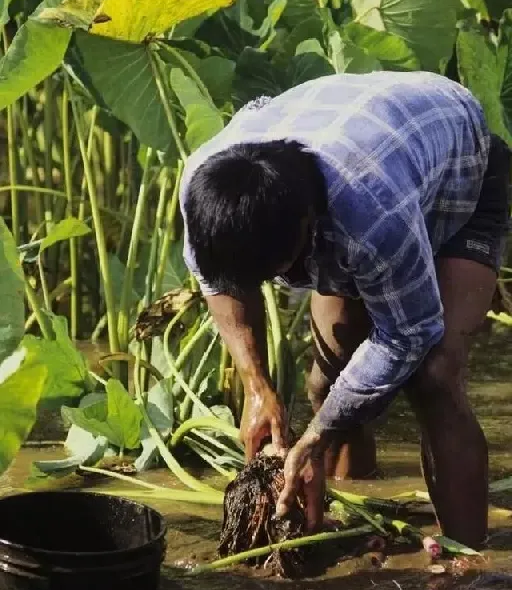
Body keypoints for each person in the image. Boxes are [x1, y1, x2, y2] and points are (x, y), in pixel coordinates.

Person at [178, 71, 511, 550]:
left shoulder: (372, 211)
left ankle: (466, 560)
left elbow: (408, 334)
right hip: (361, 136)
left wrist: (314, 439)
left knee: (434, 376)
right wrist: (257, 388)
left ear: (308, 227)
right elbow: (217, 281)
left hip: (456, 172)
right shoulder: (205, 187)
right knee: (329, 382)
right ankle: (359, 506)